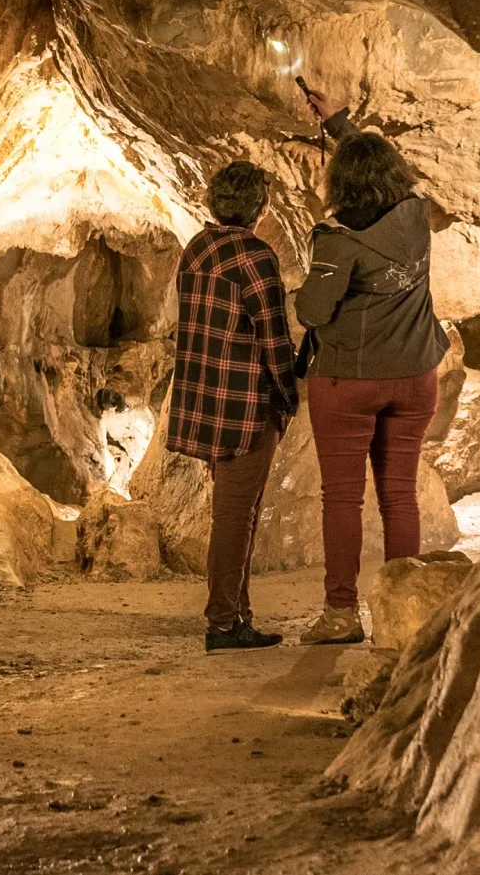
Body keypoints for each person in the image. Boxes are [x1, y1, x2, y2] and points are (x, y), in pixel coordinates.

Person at [291, 89, 449, 646]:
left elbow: (313, 311)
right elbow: (380, 167)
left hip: (349, 381)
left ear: (341, 184)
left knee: (343, 498)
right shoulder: (416, 215)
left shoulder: (338, 240)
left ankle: (341, 614)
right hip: (415, 376)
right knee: (399, 494)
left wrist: (302, 289)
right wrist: (339, 123)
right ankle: (404, 612)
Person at [163, 160, 299, 652]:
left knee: (235, 513)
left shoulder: (196, 248)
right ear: (259, 207)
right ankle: (222, 623)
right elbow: (274, 339)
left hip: (206, 403)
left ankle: (239, 615)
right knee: (236, 517)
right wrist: (289, 396)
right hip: (245, 407)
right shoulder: (256, 256)